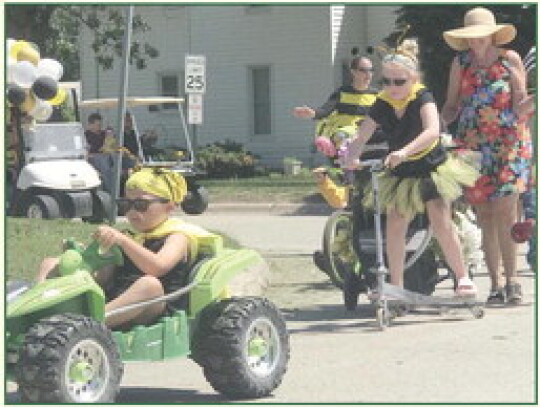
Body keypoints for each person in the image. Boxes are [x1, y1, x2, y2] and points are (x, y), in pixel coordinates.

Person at [341, 38, 479, 297]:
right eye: (386, 81)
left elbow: (432, 131)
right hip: (402, 172)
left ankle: (462, 278)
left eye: (399, 81)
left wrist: (404, 151)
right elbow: (362, 135)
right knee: (395, 223)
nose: (392, 87)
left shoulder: (422, 97)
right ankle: (396, 285)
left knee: (440, 219)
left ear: (413, 79)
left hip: (430, 167)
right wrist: (350, 157)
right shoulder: (382, 103)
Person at [441, 7, 532, 304]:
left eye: (480, 37)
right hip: (472, 147)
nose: (475, 43)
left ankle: (513, 281)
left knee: (506, 211)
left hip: (508, 145)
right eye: (470, 38)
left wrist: (533, 102)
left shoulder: (509, 60)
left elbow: (520, 104)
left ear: (492, 35)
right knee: (485, 214)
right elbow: (452, 104)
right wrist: (437, 122)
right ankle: (494, 284)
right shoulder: (461, 62)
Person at [37, 167, 193, 328]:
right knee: (50, 263)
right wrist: (83, 260)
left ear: (169, 206)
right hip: (116, 299)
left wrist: (124, 241)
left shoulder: (177, 237)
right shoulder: (128, 235)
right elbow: (104, 277)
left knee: (149, 285)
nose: (132, 211)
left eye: (141, 204)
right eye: (126, 204)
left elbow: (158, 267)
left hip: (153, 306)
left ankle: (89, 324)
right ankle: (38, 307)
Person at [85, 112, 114, 193]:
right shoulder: (86, 136)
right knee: (103, 162)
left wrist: (110, 136)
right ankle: (111, 191)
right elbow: (86, 152)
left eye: (100, 125)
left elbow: (110, 145)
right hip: (93, 159)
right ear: (91, 124)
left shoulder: (104, 134)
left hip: (107, 157)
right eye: (98, 125)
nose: (100, 127)